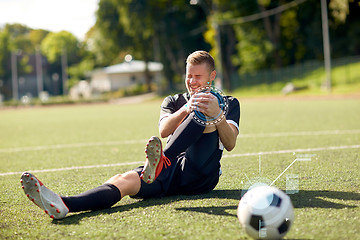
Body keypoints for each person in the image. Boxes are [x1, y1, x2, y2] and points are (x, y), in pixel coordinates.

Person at [20, 50, 240, 219]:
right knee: (124, 180)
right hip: (169, 171)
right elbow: (164, 130)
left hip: (200, 173)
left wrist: (218, 115)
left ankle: (162, 161)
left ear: (212, 76)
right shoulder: (173, 101)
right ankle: (64, 204)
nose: (192, 82)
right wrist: (186, 108)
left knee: (205, 111)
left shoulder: (230, 103)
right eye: (188, 76)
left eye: (198, 76)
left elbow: (229, 143)